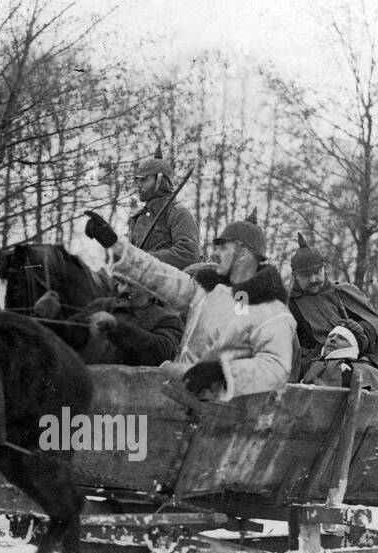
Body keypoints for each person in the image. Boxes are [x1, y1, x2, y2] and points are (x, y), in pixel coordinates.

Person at [84, 208, 295, 401]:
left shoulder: (272, 311)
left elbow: (276, 367)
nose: (215, 253)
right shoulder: (204, 292)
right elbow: (156, 273)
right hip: (180, 403)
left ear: (242, 254)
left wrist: (221, 372)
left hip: (228, 421)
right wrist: (114, 244)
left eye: (223, 247)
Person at [286, 236, 378, 388]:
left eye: (317, 272)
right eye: (306, 275)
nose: (313, 279)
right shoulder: (289, 306)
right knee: (337, 377)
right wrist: (321, 352)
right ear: (294, 276)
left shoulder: (344, 291)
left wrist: (362, 332)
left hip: (362, 358)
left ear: (324, 268)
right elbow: (290, 351)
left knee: (370, 377)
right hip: (319, 367)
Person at [124, 148, 200, 270]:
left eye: (144, 179)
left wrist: (145, 259)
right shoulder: (137, 218)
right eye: (137, 180)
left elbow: (188, 254)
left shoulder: (178, 214)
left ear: (161, 180)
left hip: (167, 284)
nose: (139, 185)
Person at [83, 277, 185, 366]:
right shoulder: (102, 304)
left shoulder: (167, 319)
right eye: (122, 283)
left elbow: (163, 353)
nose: (123, 290)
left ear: (151, 290)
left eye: (131, 285)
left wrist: (117, 326)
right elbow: (72, 335)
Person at [299, 325, 378, 390]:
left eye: (342, 338)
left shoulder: (365, 370)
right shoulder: (313, 365)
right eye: (330, 336)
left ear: (352, 347)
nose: (333, 339)